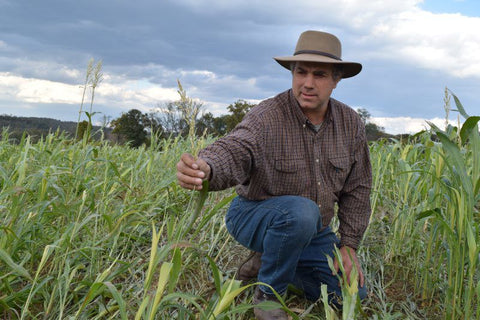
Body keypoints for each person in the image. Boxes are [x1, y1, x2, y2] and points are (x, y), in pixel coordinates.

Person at [176, 30, 372, 320]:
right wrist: (207, 167)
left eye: (319, 75)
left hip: (315, 231)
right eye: (301, 72)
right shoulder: (267, 116)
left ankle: (269, 262)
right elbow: (236, 147)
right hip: (253, 214)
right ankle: (267, 296)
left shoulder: (350, 123)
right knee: (301, 212)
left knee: (352, 293)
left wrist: (349, 245)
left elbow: (358, 187)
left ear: (336, 80)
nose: (307, 83)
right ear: (292, 73)